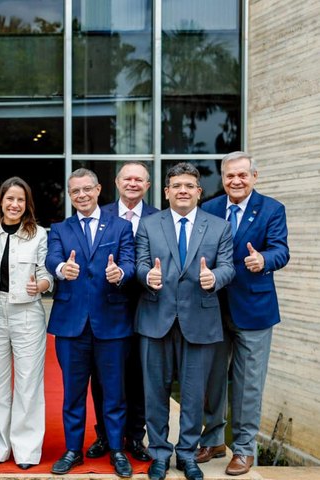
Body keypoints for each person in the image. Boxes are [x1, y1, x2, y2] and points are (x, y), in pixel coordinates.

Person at [134, 162, 235, 480]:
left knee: (193, 395)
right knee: (155, 393)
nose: (182, 190)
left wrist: (214, 277)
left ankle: (188, 455)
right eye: (176, 185)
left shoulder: (219, 227)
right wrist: (146, 276)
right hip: (155, 319)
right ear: (166, 192)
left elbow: (228, 267)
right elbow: (139, 263)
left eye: (189, 186)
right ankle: (159, 453)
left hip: (200, 320)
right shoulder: (149, 224)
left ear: (198, 192)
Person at [197, 152, 289, 476]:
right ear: (222, 178)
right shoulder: (208, 208)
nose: (236, 181)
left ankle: (244, 448)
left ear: (254, 176)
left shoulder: (272, 209)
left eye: (242, 175)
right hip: (213, 308)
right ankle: (212, 440)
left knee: (248, 384)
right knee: (212, 379)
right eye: (230, 176)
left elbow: (281, 250)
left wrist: (264, 260)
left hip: (254, 310)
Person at [45, 168, 136, 478]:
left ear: (98, 190)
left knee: (114, 393)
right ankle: (73, 450)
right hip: (71, 324)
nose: (81, 195)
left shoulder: (121, 226)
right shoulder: (60, 228)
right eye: (75, 191)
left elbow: (129, 261)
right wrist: (61, 268)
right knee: (72, 394)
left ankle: (117, 450)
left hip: (112, 322)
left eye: (87, 189)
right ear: (70, 195)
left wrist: (120, 273)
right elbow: (52, 258)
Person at [88, 162, 157, 462]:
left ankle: (135, 436)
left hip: (146, 308)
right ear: (116, 183)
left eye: (139, 179)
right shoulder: (99, 214)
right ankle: (105, 435)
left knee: (138, 375)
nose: (132, 183)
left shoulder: (159, 217)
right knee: (102, 377)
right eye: (127, 178)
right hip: (105, 309)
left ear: (147, 185)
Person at [0, 177, 52, 470]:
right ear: (0, 201)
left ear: (27, 204)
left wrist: (42, 285)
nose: (15, 204)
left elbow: (46, 271)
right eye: (10, 198)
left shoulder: (39, 234)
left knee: (28, 383)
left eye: (20, 200)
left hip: (27, 313)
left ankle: (26, 450)